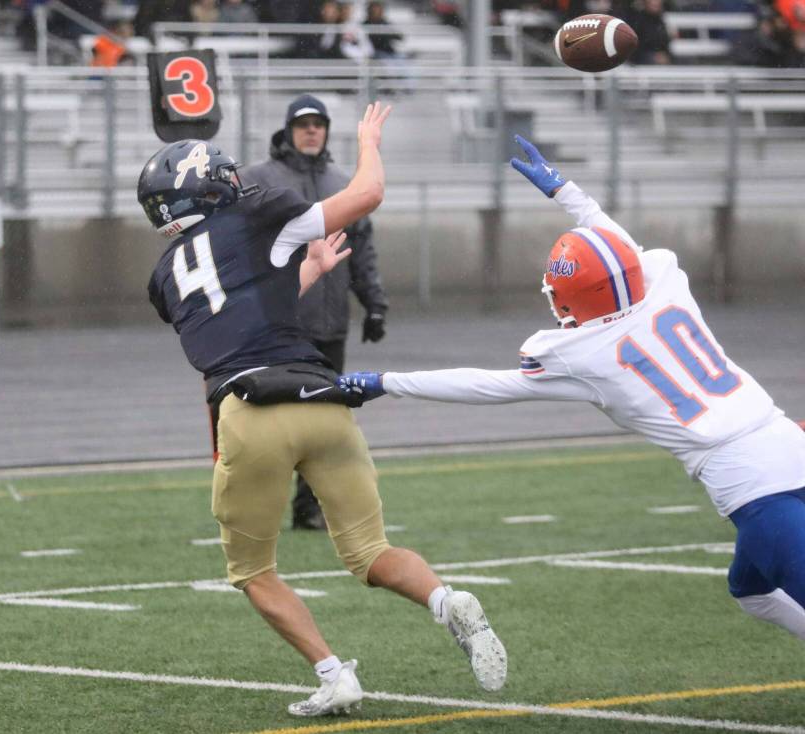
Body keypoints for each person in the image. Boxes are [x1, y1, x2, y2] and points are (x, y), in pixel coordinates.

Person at [339, 135, 805, 642]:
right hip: (788, 439)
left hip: (756, 490)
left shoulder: (586, 354)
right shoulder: (665, 281)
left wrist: (387, 381)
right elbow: (613, 240)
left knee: (762, 581)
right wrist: (564, 190)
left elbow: (484, 385)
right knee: (750, 589)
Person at [138, 103, 507, 717]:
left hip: (251, 413)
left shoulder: (163, 276)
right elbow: (368, 194)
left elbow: (228, 315)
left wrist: (301, 272)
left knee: (253, 570)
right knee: (369, 551)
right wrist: (367, 141)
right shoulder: (258, 215)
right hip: (323, 402)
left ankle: (333, 674)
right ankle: (446, 600)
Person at [241, 94, 389, 531]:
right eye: (303, 123)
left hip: (329, 323)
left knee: (324, 420)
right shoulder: (260, 180)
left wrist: (374, 304)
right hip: (278, 324)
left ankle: (309, 508)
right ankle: (257, 508)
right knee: (271, 422)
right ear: (288, 130)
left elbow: (361, 250)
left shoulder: (343, 181)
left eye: (318, 124)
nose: (311, 130)